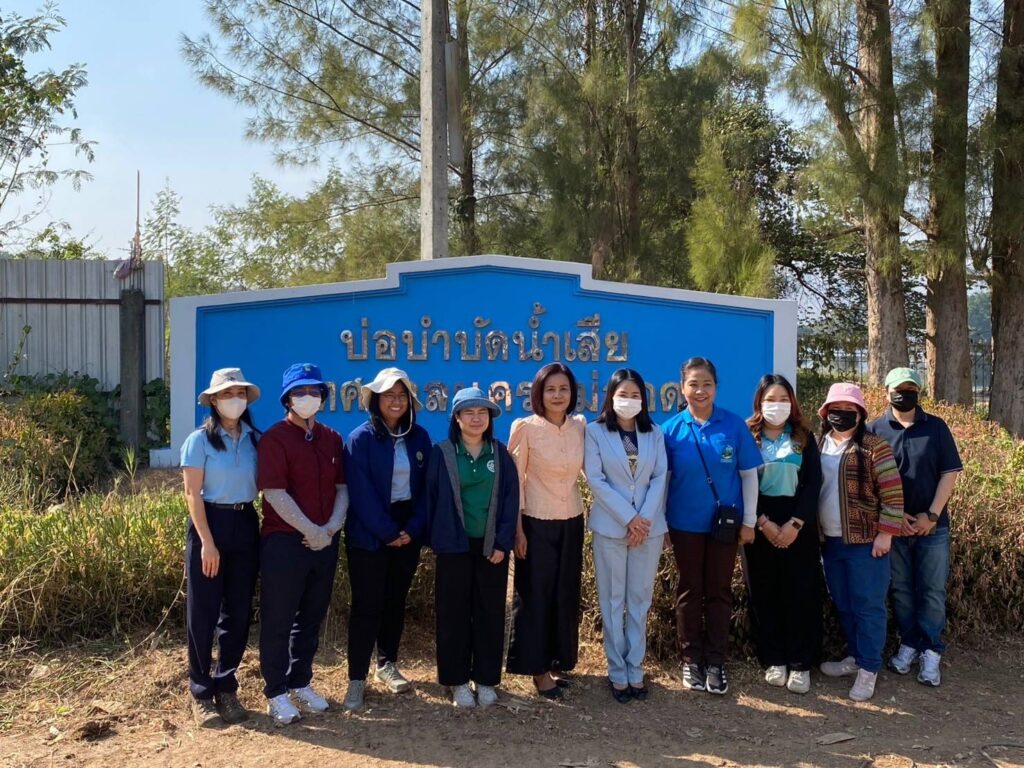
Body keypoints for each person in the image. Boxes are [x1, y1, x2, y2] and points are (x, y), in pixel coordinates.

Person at [662, 357, 762, 695]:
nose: (700, 390)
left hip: (725, 527)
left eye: (706, 384)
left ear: (716, 387)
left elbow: (749, 476)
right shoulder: (671, 430)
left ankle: (716, 662)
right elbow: (664, 481)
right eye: (693, 384)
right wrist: (662, 525)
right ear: (682, 388)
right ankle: (691, 660)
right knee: (689, 591)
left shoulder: (733, 426)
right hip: (683, 525)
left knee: (719, 591)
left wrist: (749, 522)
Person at [257, 363, 349, 725]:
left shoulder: (332, 438)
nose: (307, 397)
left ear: (323, 397)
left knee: (311, 617)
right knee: (279, 618)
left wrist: (331, 527)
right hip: (285, 542)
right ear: (287, 399)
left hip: (325, 541)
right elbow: (274, 492)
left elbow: (342, 488)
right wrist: (310, 529)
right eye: (299, 392)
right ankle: (275, 692)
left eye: (314, 391)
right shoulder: (274, 438)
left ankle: (300, 681)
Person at [342, 368, 432, 711]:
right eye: (388, 396)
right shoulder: (360, 439)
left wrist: (413, 528)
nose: (396, 401)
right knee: (367, 605)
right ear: (376, 401)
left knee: (395, 600)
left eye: (401, 396)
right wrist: (388, 532)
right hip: (370, 532)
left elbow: (427, 490)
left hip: (408, 529)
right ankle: (356, 679)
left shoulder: (419, 437)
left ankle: (387, 664)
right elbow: (360, 493)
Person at [867, 368, 962, 687]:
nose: (903, 394)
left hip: (932, 528)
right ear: (886, 392)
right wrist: (894, 519)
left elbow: (949, 473)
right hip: (892, 529)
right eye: (898, 389)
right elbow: (867, 483)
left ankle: (931, 650)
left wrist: (931, 516)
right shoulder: (874, 430)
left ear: (918, 393)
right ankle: (908, 643)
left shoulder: (936, 427)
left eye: (910, 389)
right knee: (902, 590)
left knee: (932, 591)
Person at [426, 387, 519, 708]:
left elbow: (510, 500)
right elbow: (431, 499)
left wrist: (502, 542)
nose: (476, 418)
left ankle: (486, 679)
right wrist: (438, 540)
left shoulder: (500, 454)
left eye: (482, 413)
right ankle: (457, 681)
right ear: (457, 417)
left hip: (491, 547)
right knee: (453, 614)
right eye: (469, 412)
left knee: (490, 613)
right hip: (453, 547)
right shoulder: (442, 453)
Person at [180, 367, 262, 727]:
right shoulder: (199, 441)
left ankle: (226, 685)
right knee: (203, 611)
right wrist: (207, 543)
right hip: (210, 524)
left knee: (238, 612)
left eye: (240, 394)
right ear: (213, 400)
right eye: (227, 394)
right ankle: (200, 691)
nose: (235, 400)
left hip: (245, 522)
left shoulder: (255, 439)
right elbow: (192, 494)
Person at [583, 369, 668, 703]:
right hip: (611, 526)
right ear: (610, 396)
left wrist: (642, 519)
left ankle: (636, 668)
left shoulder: (654, 433)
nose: (629, 400)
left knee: (639, 600)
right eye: (623, 394)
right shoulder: (595, 432)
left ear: (643, 400)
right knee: (612, 600)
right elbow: (595, 479)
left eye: (635, 395)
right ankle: (617, 671)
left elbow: (660, 476)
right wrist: (629, 518)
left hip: (648, 529)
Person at [816, 382, 904, 702]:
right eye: (836, 409)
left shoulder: (874, 447)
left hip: (866, 543)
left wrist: (886, 534)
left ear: (860, 414)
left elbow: (893, 494)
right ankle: (855, 657)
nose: (842, 414)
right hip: (830, 541)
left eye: (849, 410)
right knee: (844, 603)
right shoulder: (818, 444)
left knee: (868, 606)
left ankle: (869, 668)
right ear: (826, 412)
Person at [505, 363, 587, 699]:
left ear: (572, 393)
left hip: (572, 519)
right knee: (535, 596)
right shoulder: (525, 428)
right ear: (539, 393)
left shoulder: (580, 427)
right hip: (535, 522)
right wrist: (517, 530)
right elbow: (516, 482)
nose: (557, 395)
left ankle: (555, 661)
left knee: (564, 593)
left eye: (563, 389)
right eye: (550, 389)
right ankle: (536, 670)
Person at [742, 374, 823, 695]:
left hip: (798, 525)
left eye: (783, 399)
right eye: (770, 400)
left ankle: (801, 663)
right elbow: (742, 481)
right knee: (764, 592)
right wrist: (763, 522)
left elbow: (813, 483)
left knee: (800, 593)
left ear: (792, 403)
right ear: (759, 403)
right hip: (759, 521)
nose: (777, 405)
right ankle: (774, 659)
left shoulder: (804, 437)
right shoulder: (748, 437)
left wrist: (796, 523)